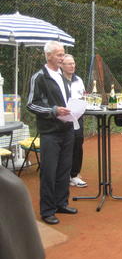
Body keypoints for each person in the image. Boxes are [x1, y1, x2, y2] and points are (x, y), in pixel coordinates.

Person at [27, 41, 78, 225]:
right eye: (59, 54)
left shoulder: (63, 76)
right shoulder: (39, 77)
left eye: (63, 54)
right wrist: (53, 110)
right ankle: (47, 210)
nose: (62, 57)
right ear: (48, 55)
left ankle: (61, 203)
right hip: (50, 132)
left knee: (64, 169)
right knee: (49, 172)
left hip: (67, 129)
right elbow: (31, 104)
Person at [61, 54, 88, 188]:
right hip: (63, 119)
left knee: (78, 145)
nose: (72, 66)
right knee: (65, 146)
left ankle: (74, 175)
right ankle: (63, 176)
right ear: (62, 65)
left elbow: (83, 97)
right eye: (69, 64)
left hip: (77, 118)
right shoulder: (58, 80)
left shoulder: (79, 80)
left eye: (73, 63)